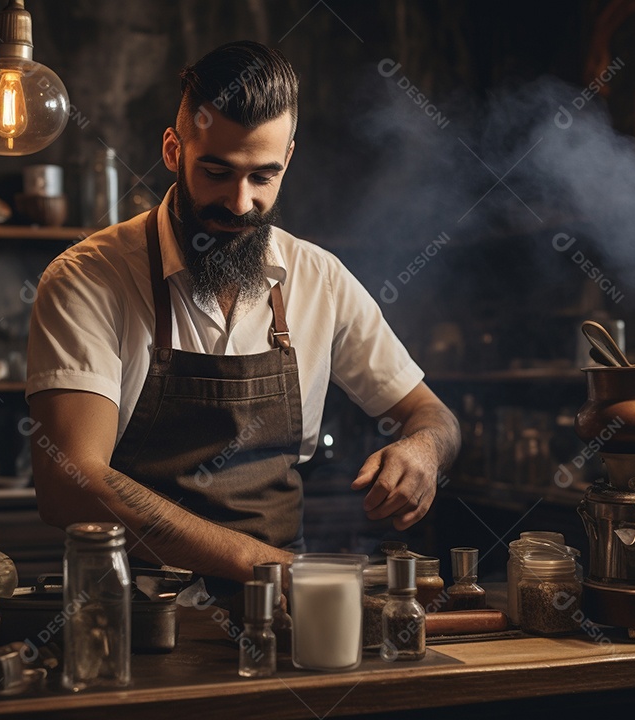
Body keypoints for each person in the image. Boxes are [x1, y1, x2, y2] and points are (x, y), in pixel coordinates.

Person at [25, 40, 459, 594]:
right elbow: (71, 486)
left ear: (289, 160)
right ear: (171, 149)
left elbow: (433, 415)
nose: (239, 202)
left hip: (280, 613)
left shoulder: (318, 278)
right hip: (133, 615)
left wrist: (422, 447)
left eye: (263, 176)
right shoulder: (87, 279)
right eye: (216, 171)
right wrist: (266, 564)